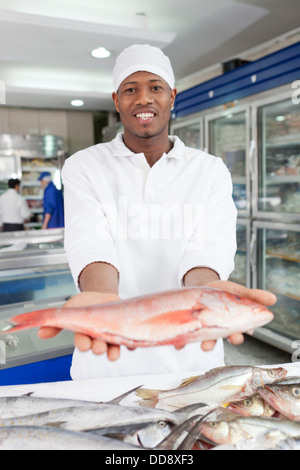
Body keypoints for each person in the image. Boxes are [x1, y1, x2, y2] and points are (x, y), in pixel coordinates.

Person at [39, 44, 276, 380]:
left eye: (155, 87)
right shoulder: (85, 166)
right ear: (116, 101)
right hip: (107, 355)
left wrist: (207, 300)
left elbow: (208, 247)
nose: (144, 99)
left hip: (194, 357)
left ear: (172, 96)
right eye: (130, 90)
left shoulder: (209, 170)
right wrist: (103, 300)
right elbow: (90, 240)